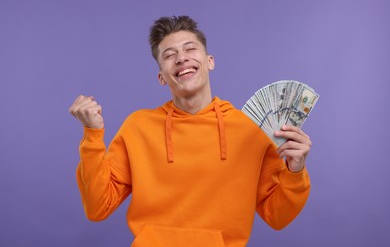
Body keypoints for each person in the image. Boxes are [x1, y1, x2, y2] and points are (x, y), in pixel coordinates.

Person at [69, 15, 312, 247]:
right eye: (169, 55)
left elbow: (277, 216)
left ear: (210, 61)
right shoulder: (138, 127)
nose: (181, 58)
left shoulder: (250, 130)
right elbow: (97, 207)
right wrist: (92, 134)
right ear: (161, 77)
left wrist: (295, 170)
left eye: (190, 49)